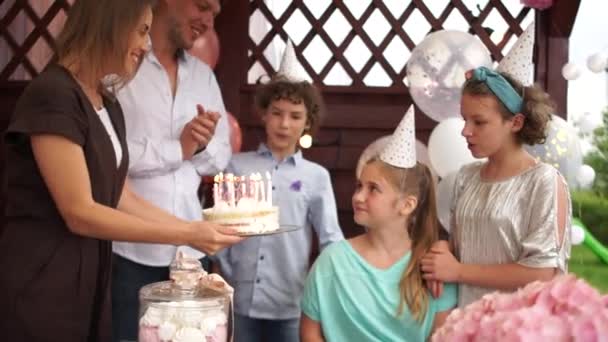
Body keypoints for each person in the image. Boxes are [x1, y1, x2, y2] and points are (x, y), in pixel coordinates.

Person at [0, 1, 241, 340]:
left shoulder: (105, 101)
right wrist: (185, 234)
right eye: (142, 31)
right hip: (45, 277)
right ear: (109, 24)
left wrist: (192, 227)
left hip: (88, 276)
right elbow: (79, 211)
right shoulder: (53, 94)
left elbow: (119, 195)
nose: (145, 45)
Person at [110, 0, 232, 340]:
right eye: (202, 7)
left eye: (214, 15)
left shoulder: (204, 76)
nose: (208, 22)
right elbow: (108, 155)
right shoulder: (120, 68)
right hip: (130, 252)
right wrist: (178, 149)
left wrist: (201, 145)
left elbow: (220, 156)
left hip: (192, 256)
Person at [300, 107, 457, 341]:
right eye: (358, 186)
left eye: (373, 189)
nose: (358, 197)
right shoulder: (331, 262)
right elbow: (310, 334)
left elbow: (441, 336)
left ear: (407, 205)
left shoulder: (432, 267)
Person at [421, 66, 572, 307]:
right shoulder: (466, 177)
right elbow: (467, 246)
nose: (465, 131)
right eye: (465, 120)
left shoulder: (542, 181)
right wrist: (444, 248)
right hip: (468, 323)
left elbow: (543, 273)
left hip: (520, 326)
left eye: (479, 122)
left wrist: (458, 271)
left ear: (515, 122)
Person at [213, 70, 345, 342]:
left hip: (290, 303)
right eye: (277, 113)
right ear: (263, 113)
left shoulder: (316, 177)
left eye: (295, 116)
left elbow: (330, 238)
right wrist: (227, 272)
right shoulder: (236, 166)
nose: (284, 124)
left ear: (307, 121)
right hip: (239, 301)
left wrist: (325, 287)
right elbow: (217, 228)